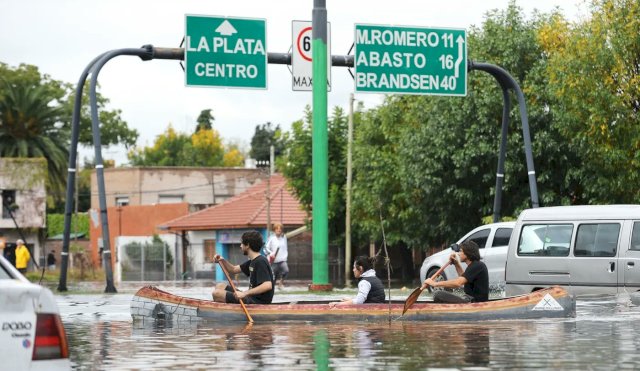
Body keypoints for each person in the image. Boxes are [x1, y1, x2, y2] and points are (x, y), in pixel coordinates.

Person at [211, 230, 275, 304]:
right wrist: (222, 260)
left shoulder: (260, 261)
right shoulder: (252, 261)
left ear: (247, 245)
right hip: (251, 297)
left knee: (217, 294)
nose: (240, 246)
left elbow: (267, 285)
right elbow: (233, 269)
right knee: (220, 286)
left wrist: (244, 293)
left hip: (258, 302)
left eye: (242, 243)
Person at [424, 240, 489, 303]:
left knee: (438, 294)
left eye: (460, 251)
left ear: (467, 253)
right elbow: (462, 278)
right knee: (438, 295)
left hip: (475, 302)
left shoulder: (477, 266)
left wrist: (435, 283)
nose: (458, 254)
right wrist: (456, 264)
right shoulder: (473, 266)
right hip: (469, 299)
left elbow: (458, 283)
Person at [264, 223, 288, 289]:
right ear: (274, 230)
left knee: (286, 270)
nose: (279, 231)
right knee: (273, 276)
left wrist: (285, 256)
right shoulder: (271, 238)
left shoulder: (284, 237)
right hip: (273, 261)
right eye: (277, 229)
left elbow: (285, 247)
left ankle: (280, 284)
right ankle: (272, 289)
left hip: (282, 260)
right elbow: (265, 248)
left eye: (280, 229)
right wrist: (271, 254)